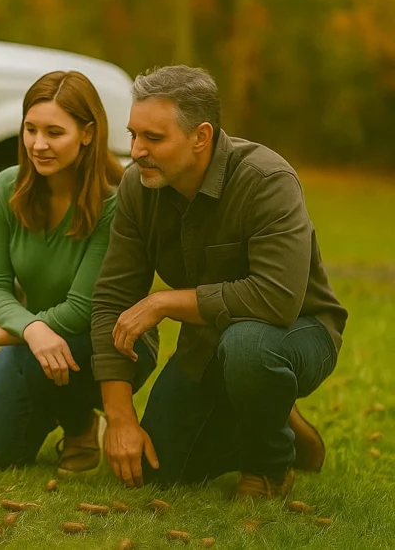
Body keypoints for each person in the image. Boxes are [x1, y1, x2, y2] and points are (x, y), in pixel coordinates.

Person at [90, 64, 347, 499]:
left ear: (201, 136)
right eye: (134, 135)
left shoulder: (267, 180)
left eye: (153, 138)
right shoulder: (138, 188)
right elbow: (112, 297)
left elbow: (277, 299)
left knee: (249, 347)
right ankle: (271, 412)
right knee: (159, 469)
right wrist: (119, 418)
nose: (135, 151)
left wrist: (165, 303)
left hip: (298, 331)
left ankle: (267, 465)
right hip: (209, 342)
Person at [0, 70, 151, 478]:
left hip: (105, 342)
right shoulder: (5, 188)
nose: (38, 144)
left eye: (54, 132)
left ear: (88, 133)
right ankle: (72, 418)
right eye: (30, 129)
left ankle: (78, 420)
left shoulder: (115, 200)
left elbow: (82, 309)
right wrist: (30, 330)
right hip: (36, 341)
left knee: (49, 342)